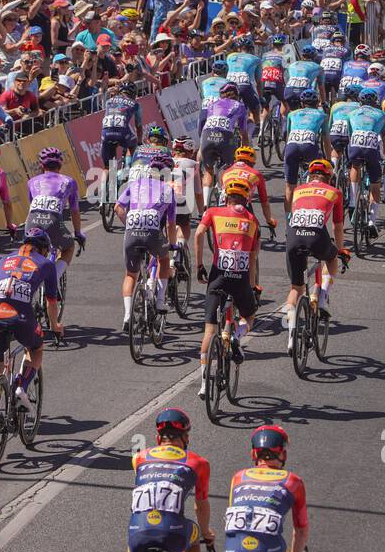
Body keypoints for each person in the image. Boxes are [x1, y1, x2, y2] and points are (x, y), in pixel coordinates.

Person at [127, 409, 212, 552]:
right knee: (194, 542)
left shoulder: (139, 458)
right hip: (174, 531)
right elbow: (200, 505)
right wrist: (206, 533)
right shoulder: (198, 463)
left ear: (157, 438)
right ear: (185, 437)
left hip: (139, 531)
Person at [224, 425, 310, 552]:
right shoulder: (293, 481)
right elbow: (301, 529)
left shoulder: (238, 478)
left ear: (254, 453)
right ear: (283, 454)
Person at [194, 178, 261, 391]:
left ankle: (204, 384)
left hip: (218, 277)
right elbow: (252, 259)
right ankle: (236, 336)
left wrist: (199, 265)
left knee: (209, 331)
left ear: (226, 197)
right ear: (247, 199)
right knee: (249, 316)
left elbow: (198, 234)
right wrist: (251, 287)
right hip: (240, 279)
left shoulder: (213, 212)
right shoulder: (252, 220)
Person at [0, 227, 62, 411]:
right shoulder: (46, 264)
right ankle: (21, 386)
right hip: (19, 314)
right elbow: (51, 301)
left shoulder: (5, 258)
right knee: (36, 348)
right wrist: (55, 325)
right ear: (44, 248)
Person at [283, 159, 347, 342]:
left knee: (296, 288)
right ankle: (323, 296)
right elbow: (337, 226)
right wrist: (341, 250)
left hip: (293, 237)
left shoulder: (298, 190)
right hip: (317, 237)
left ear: (309, 176)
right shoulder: (334, 192)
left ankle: (290, 335)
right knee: (332, 258)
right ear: (329, 177)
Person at [116, 151, 179, 330]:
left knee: (130, 275)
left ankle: (127, 315)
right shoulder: (168, 190)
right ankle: (159, 301)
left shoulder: (135, 184)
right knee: (164, 259)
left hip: (132, 226)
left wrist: (129, 223)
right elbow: (170, 223)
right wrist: (172, 245)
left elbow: (118, 208)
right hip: (152, 230)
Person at [24, 146, 85, 283]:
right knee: (68, 247)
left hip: (32, 221)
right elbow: (74, 210)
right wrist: (78, 233)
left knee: (30, 251)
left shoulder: (31, 182)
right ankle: (52, 280)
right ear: (61, 164)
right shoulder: (69, 181)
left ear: (41, 165)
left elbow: (31, 207)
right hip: (54, 222)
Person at [199, 81, 251, 205]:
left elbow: (201, 123)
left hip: (207, 135)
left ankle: (206, 204)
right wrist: (245, 149)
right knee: (229, 169)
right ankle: (224, 198)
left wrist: (200, 146)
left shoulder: (212, 104)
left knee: (208, 171)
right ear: (237, 95)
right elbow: (243, 132)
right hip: (225, 137)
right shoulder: (239, 105)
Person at [282, 88, 327, 209]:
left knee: (289, 187)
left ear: (301, 103)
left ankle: (288, 224)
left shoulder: (291, 114)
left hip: (291, 147)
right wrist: (327, 159)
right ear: (317, 103)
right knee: (321, 176)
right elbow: (326, 139)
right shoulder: (322, 115)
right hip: (309, 146)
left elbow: (288, 135)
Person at [219, 145, 277, 232]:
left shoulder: (225, 172)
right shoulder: (257, 174)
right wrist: (269, 220)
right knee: (255, 231)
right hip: (242, 202)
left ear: (236, 160)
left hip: (225, 201)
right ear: (252, 162)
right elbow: (264, 201)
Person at [100, 80, 144, 176]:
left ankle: (105, 189)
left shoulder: (109, 101)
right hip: (122, 133)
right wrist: (140, 142)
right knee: (133, 143)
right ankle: (131, 169)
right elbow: (138, 126)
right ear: (133, 94)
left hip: (106, 134)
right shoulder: (135, 104)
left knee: (108, 167)